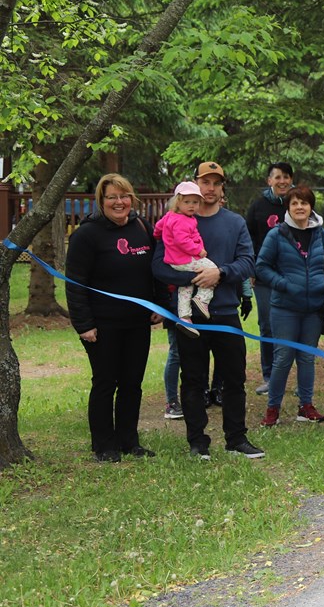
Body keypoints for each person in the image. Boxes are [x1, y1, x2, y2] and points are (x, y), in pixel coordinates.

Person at [153, 161, 263, 460]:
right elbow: (159, 266)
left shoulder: (235, 222)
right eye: (205, 182)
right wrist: (191, 278)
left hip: (225, 312)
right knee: (192, 379)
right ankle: (197, 442)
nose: (210, 188)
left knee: (234, 377)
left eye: (216, 183)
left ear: (222, 187)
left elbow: (248, 262)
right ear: (195, 185)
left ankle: (236, 438)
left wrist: (221, 274)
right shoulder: (176, 221)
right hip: (189, 314)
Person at [67, 173, 160, 462]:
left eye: (124, 196)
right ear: (101, 201)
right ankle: (103, 445)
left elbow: (155, 271)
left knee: (132, 383)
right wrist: (84, 325)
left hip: (137, 323)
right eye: (112, 197)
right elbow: (75, 282)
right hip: (102, 326)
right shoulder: (87, 234)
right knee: (106, 382)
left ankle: (128, 440)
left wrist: (159, 305)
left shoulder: (143, 228)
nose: (119, 202)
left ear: (132, 199)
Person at [255, 185, 324, 426]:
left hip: (313, 308)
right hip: (285, 308)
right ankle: (273, 408)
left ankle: (305, 405)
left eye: (304, 202)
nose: (300, 207)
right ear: (289, 208)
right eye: (294, 203)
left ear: (311, 206)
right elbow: (261, 267)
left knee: (307, 357)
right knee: (282, 358)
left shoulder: (321, 234)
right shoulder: (277, 235)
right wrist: (283, 284)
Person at [245, 162, 293, 394]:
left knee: (294, 326)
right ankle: (269, 376)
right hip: (264, 277)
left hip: (292, 276)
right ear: (269, 181)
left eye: (286, 177)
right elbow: (248, 240)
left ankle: (293, 376)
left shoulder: (298, 203)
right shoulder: (258, 207)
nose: (282, 181)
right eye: (278, 177)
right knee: (268, 325)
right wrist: (252, 270)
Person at [155, 181, 217, 328]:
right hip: (185, 259)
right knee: (212, 269)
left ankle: (184, 317)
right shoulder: (182, 220)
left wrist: (158, 235)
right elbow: (182, 240)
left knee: (185, 286)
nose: (191, 205)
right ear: (178, 202)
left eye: (195, 202)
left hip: (174, 261)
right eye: (187, 202)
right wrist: (198, 250)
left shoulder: (169, 216)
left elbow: (157, 228)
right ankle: (202, 298)